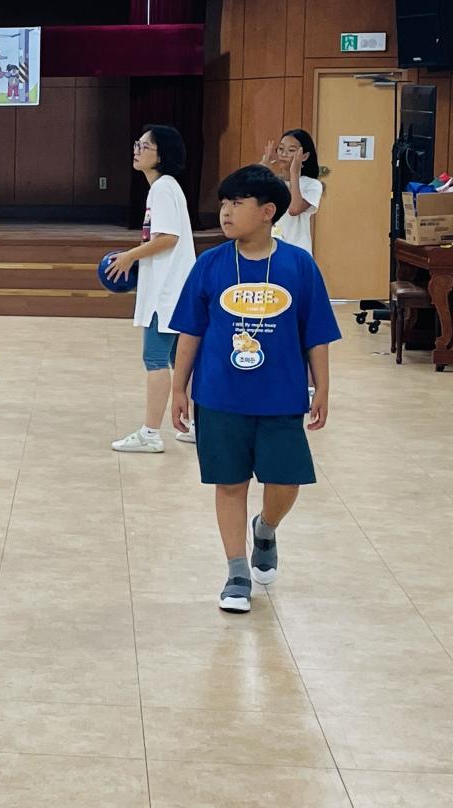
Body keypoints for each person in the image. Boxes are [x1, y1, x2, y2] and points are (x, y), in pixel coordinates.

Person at [170, 164, 340, 614]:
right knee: (229, 483)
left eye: (237, 203)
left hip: (280, 395)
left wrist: (322, 388)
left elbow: (316, 334)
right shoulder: (210, 265)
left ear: (267, 212)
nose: (226, 212)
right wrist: (178, 388)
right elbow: (191, 331)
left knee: (286, 481)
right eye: (224, 203)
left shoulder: (298, 265)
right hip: (219, 396)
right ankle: (236, 573)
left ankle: (265, 528)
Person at [107, 125, 197, 454]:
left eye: (145, 146)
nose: (137, 150)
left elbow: (168, 238)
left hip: (167, 291)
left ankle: (150, 433)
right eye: (137, 144)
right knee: (178, 360)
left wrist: (129, 256)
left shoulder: (162, 188)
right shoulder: (164, 188)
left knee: (155, 358)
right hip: (173, 288)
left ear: (162, 155)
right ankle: (197, 426)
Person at [262, 130, 325, 255]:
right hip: (270, 249)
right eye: (281, 149)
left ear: (304, 156)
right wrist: (262, 169)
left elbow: (294, 209)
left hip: (297, 251)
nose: (284, 154)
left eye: (291, 150)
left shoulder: (312, 184)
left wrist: (294, 173)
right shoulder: (272, 182)